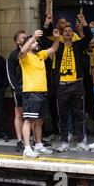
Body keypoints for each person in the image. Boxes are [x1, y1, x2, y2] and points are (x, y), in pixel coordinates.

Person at [45, 12, 93, 152]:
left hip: (77, 84)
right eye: (65, 31)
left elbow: (89, 37)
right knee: (63, 115)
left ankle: (80, 141)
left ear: (73, 34)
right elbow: (43, 41)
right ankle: (64, 141)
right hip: (62, 86)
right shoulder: (57, 46)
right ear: (61, 33)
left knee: (79, 114)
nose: (67, 32)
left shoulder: (78, 45)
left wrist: (84, 22)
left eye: (69, 31)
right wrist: (47, 23)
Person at [19, 29, 60, 157]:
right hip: (31, 92)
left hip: (42, 92)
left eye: (36, 42)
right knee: (29, 120)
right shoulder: (24, 57)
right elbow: (21, 51)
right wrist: (32, 37)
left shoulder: (40, 55)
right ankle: (27, 148)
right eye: (34, 43)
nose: (36, 44)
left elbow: (53, 49)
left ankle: (38, 145)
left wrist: (57, 38)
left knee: (39, 121)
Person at [7, 30, 27, 151]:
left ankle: (35, 140)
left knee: (32, 116)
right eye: (23, 37)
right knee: (19, 114)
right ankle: (20, 141)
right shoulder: (13, 55)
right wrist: (16, 88)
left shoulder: (31, 53)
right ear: (17, 40)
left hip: (32, 88)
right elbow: (10, 73)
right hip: (19, 89)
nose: (25, 38)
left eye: (26, 37)